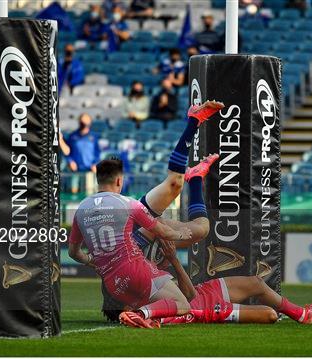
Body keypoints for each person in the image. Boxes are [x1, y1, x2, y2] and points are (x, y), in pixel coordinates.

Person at [70, 101, 225, 329]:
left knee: (178, 191)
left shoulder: (89, 209)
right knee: (201, 227)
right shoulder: (136, 288)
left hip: (138, 234)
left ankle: (194, 139)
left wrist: (93, 262)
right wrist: (176, 239)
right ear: (120, 181)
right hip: (141, 243)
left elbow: (76, 252)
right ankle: (195, 170)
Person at [126, 239, 312, 327]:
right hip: (207, 308)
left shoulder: (142, 277)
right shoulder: (143, 289)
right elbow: (189, 297)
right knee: (270, 315)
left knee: (255, 283)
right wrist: (174, 260)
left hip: (203, 291)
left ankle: (302, 315)